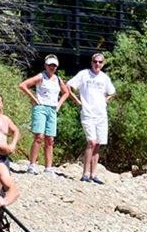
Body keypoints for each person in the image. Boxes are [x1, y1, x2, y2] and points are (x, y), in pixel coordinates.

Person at [67, 52, 116, 184]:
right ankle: (85, 173)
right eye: (95, 61)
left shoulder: (105, 78)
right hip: (88, 113)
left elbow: (112, 92)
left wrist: (106, 100)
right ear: (91, 62)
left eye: (100, 62)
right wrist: (77, 101)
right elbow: (68, 86)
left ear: (103, 63)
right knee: (91, 142)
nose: (97, 64)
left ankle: (94, 174)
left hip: (101, 114)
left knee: (98, 144)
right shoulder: (84, 74)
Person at [19, 54, 70, 175]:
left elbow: (66, 92)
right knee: (39, 136)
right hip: (41, 107)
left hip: (52, 109)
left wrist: (58, 105)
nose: (52, 67)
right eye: (50, 65)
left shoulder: (57, 79)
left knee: (50, 139)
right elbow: (23, 85)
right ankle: (32, 165)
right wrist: (34, 98)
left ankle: (48, 167)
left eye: (54, 65)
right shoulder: (41, 76)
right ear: (45, 65)